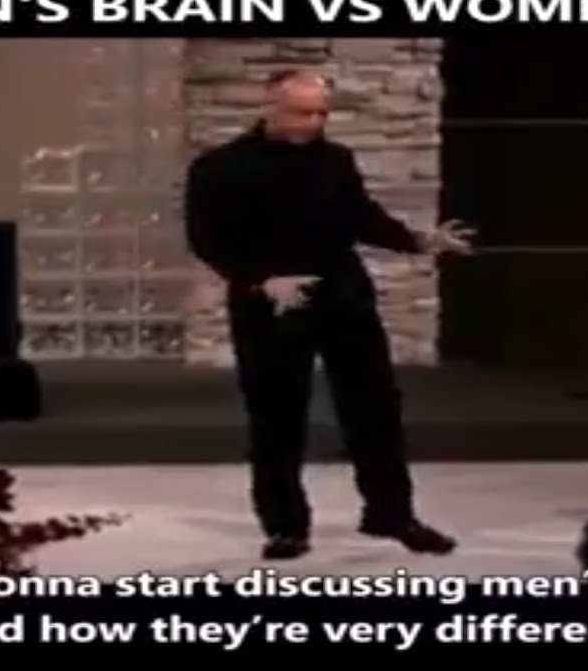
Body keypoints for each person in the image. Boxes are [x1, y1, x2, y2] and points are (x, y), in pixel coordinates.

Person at [184, 69, 475, 560]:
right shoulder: (221, 167)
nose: (314, 123)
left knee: (375, 408)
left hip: (343, 295)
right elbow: (207, 238)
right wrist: (259, 280)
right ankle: (285, 527)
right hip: (272, 302)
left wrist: (419, 241)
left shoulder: (335, 159)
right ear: (270, 107)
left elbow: (361, 217)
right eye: (302, 113)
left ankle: (390, 514)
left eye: (321, 113)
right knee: (277, 416)